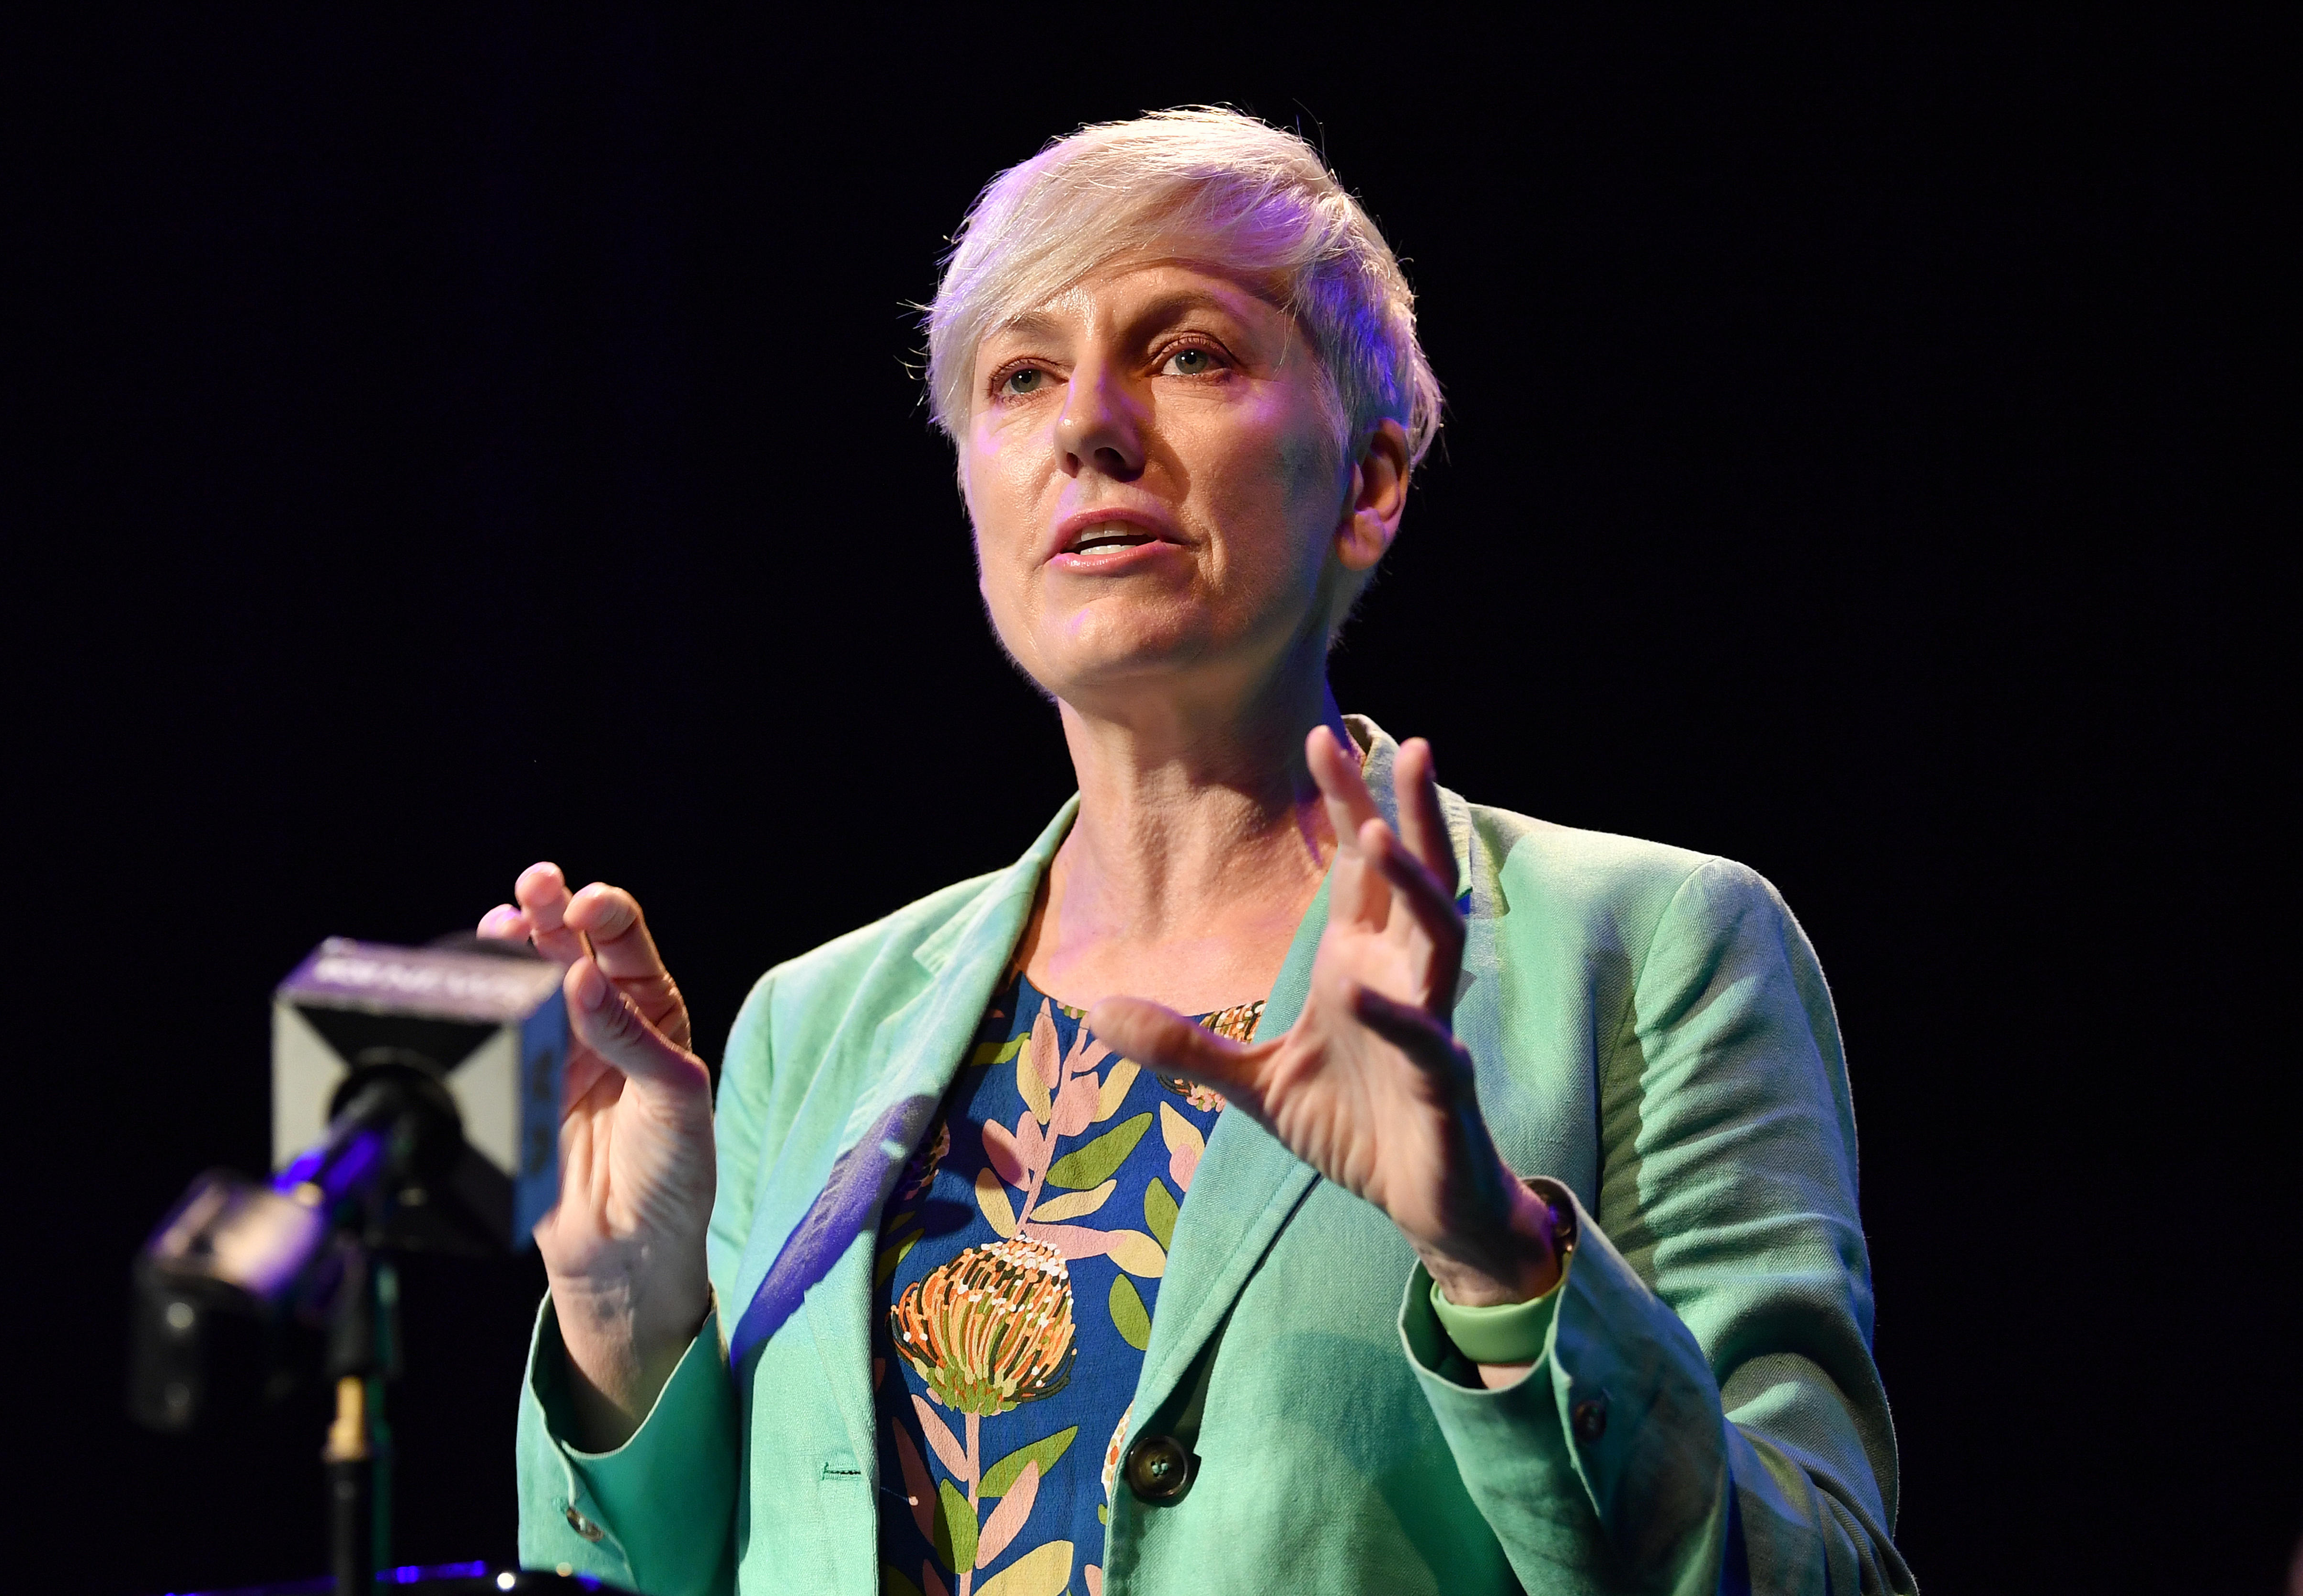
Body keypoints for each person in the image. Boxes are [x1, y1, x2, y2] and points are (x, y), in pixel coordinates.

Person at [487, 107, 1912, 1596]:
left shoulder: (1653, 949)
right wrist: (621, 1317)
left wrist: (1495, 1255)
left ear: (1370, 480)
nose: (1088, 426)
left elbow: (1827, 1571)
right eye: (1021, 376)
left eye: (1187, 355)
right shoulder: (815, 1024)